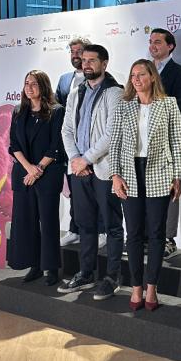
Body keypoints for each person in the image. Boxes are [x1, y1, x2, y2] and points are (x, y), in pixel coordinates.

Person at [109, 59, 181, 311]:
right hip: (130, 174)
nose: (136, 79)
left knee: (156, 235)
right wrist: (115, 176)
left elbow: (177, 142)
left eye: (141, 74)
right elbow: (115, 144)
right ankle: (136, 287)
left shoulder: (169, 104)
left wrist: (178, 175)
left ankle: (152, 287)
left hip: (159, 174)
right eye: (133, 75)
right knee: (133, 234)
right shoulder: (123, 106)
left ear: (152, 77)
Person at [57, 44, 125, 300]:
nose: (86, 64)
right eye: (83, 60)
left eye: (92, 60)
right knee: (85, 225)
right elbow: (66, 130)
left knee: (112, 226)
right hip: (79, 170)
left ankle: (112, 277)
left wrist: (85, 159)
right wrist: (75, 158)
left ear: (104, 63)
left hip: (104, 170)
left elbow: (111, 134)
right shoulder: (76, 91)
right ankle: (86, 273)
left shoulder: (115, 93)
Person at [7, 70, 66, 286]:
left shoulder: (56, 111)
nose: (29, 87)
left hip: (48, 174)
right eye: (26, 83)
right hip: (24, 174)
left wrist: (38, 169)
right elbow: (13, 145)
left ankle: (51, 267)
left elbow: (56, 146)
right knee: (26, 222)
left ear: (44, 86)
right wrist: (29, 169)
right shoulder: (18, 111)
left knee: (49, 222)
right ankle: (34, 265)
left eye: (34, 83)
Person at [149, 28, 181, 258]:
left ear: (171, 46)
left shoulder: (179, 73)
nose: (153, 46)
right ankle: (148, 236)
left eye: (157, 42)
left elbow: (179, 106)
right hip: (142, 142)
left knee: (169, 191)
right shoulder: (142, 71)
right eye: (150, 41)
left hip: (167, 141)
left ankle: (168, 238)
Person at [56, 37, 90, 248]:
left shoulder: (95, 78)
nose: (75, 55)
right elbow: (58, 111)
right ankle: (74, 229)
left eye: (79, 51)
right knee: (73, 190)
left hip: (90, 146)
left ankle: (99, 230)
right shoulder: (64, 79)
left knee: (93, 192)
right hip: (69, 146)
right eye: (72, 52)